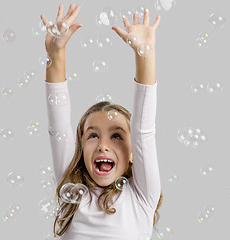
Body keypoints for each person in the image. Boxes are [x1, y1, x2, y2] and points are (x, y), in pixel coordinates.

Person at [41, 3, 163, 239]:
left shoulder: (142, 197)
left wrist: (145, 53)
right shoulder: (73, 193)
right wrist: (56, 53)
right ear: (80, 149)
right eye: (93, 135)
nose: (102, 145)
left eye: (116, 135)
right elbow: (59, 128)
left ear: (132, 154)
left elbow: (143, 130)